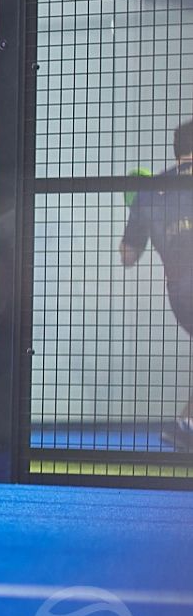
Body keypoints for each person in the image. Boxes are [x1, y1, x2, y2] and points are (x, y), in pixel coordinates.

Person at [121, 119, 193, 451]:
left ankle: (185, 427)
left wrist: (135, 205)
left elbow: (127, 256)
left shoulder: (150, 191)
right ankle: (185, 427)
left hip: (179, 293)